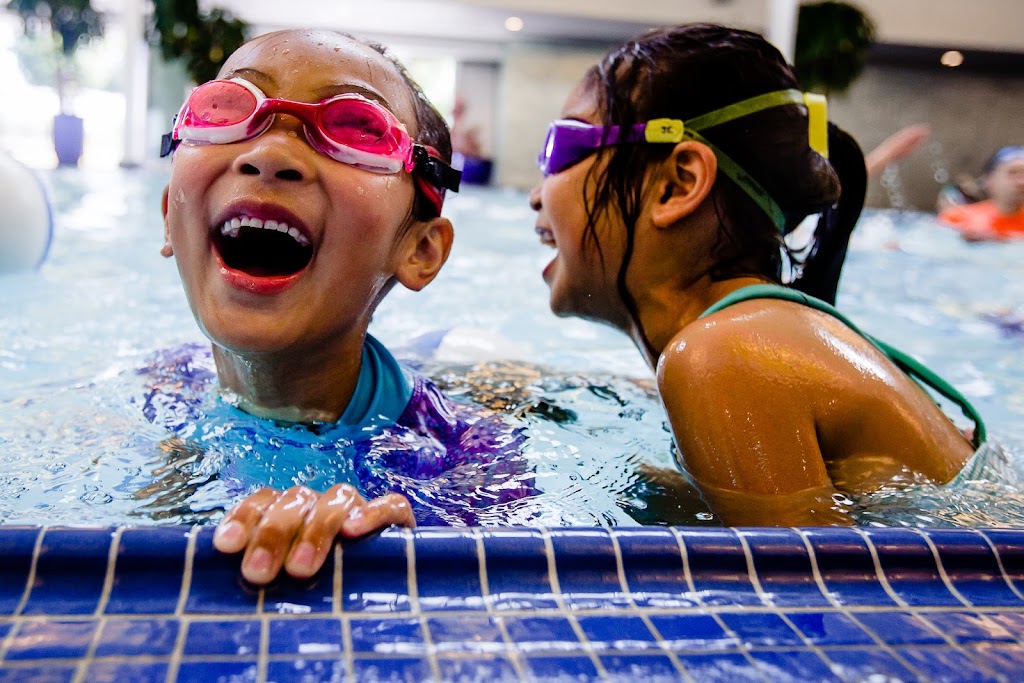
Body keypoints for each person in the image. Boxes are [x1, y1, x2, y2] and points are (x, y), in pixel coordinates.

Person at [528, 24, 983, 526]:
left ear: (678, 183)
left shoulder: (723, 355)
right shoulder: (760, 338)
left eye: (561, 148)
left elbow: (807, 595)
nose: (536, 193)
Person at [158, 28, 526, 585]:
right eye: (227, 107)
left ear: (420, 250)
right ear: (169, 214)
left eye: (355, 127)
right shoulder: (163, 385)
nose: (270, 154)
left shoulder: (466, 459)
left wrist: (417, 548)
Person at [937, 146, 1024, 241]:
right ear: (989, 180)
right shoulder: (957, 217)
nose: (1021, 182)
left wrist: (999, 240)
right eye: (1013, 173)